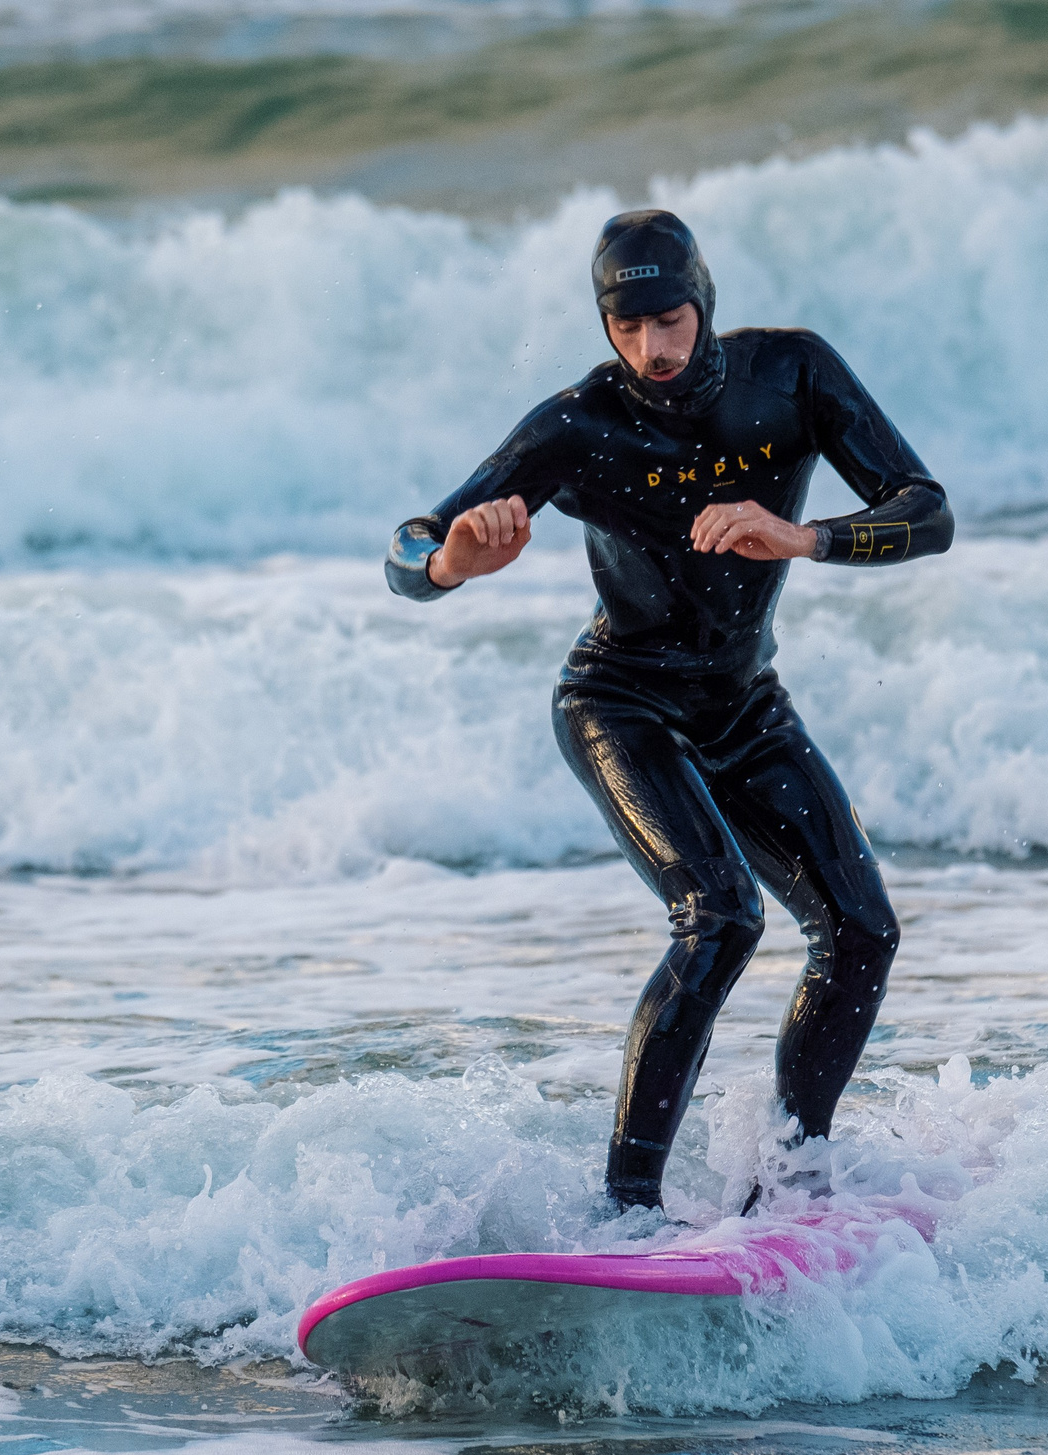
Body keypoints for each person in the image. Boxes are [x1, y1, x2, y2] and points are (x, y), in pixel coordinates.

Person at [383, 209, 952, 1212]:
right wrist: (449, 563)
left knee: (861, 930)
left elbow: (926, 510)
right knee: (719, 918)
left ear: (704, 300)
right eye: (627, 325)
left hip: (744, 705)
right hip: (618, 703)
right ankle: (629, 1210)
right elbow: (412, 547)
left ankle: (789, 1175)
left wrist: (806, 537)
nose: (652, 347)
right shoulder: (578, 425)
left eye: (670, 319)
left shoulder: (792, 376)